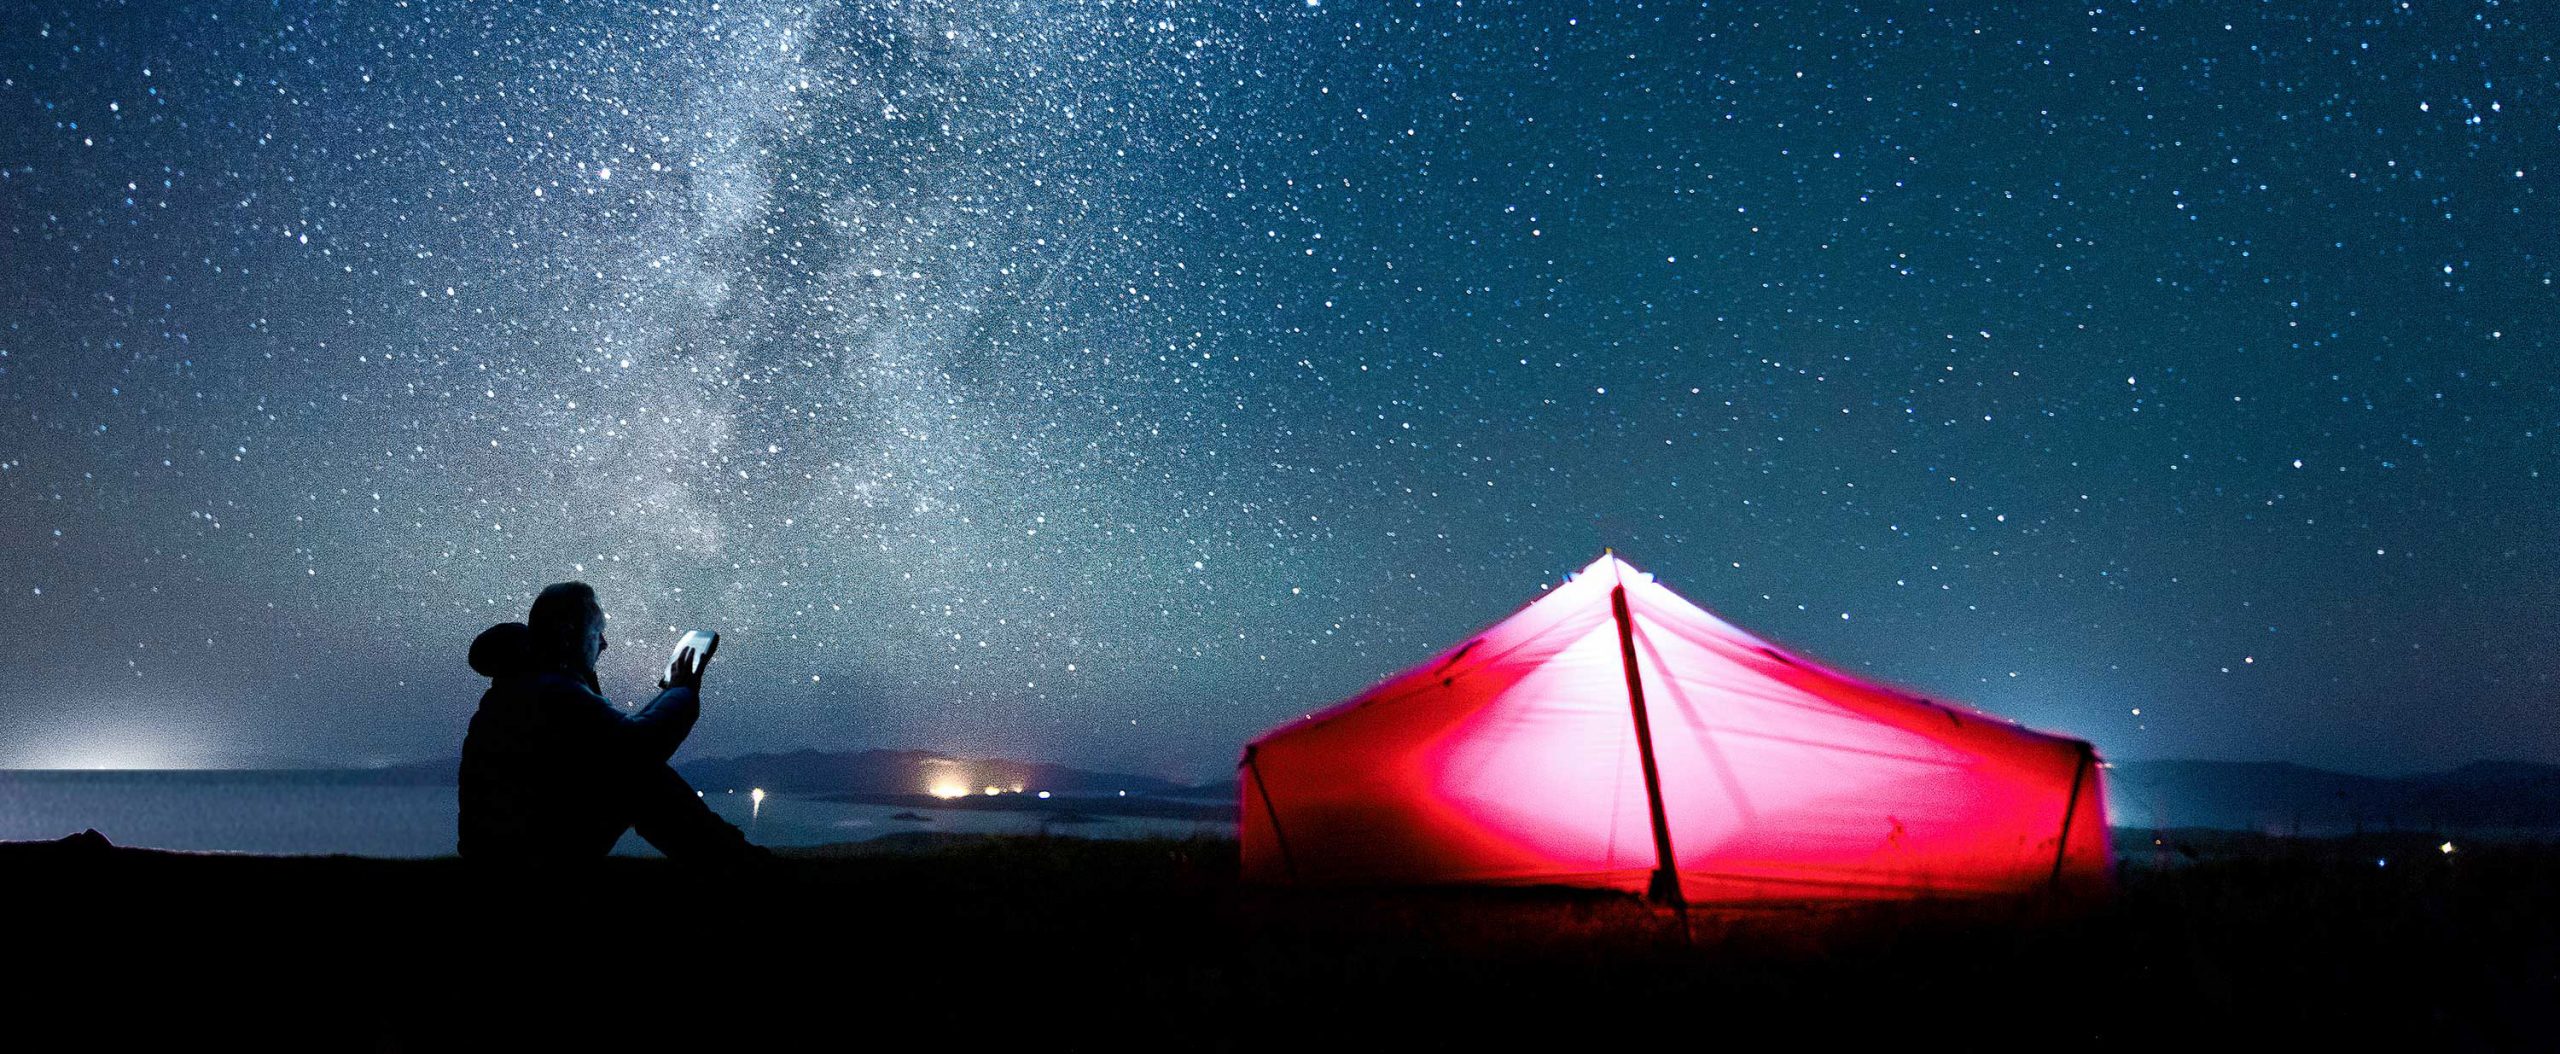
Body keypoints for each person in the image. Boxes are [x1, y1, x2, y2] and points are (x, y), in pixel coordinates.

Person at [458, 581, 766, 863]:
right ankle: (740, 867)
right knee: (641, 778)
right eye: (596, 631)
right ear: (568, 633)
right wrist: (683, 688)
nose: (604, 644)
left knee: (634, 770)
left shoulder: (525, 687)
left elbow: (620, 740)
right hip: (523, 860)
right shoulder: (549, 690)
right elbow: (638, 746)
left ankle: (734, 859)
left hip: (500, 851)